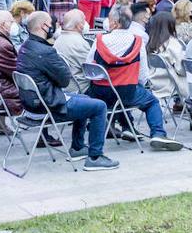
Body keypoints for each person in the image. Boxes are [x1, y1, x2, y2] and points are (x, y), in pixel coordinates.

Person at [16, 11, 118, 169]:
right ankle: (95, 157)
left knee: (86, 100)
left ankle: (77, 147)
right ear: (44, 26)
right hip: (49, 105)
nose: (55, 26)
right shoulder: (44, 51)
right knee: (100, 106)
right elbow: (64, 80)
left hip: (32, 104)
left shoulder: (26, 46)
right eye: (52, 23)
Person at [86, 5, 183, 151]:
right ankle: (157, 133)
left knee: (113, 95)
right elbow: (143, 75)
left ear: (114, 22)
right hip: (126, 91)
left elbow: (89, 67)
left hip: (100, 92)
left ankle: (125, 127)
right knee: (151, 101)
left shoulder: (99, 40)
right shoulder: (137, 42)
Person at [146, 10, 187, 105]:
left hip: (156, 82)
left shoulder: (151, 43)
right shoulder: (172, 43)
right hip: (172, 85)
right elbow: (180, 69)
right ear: (171, 25)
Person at [53, 9, 93, 95]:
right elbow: (91, 70)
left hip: (62, 85)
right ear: (79, 25)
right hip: (79, 88)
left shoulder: (58, 40)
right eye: (84, 20)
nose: (86, 23)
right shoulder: (80, 43)